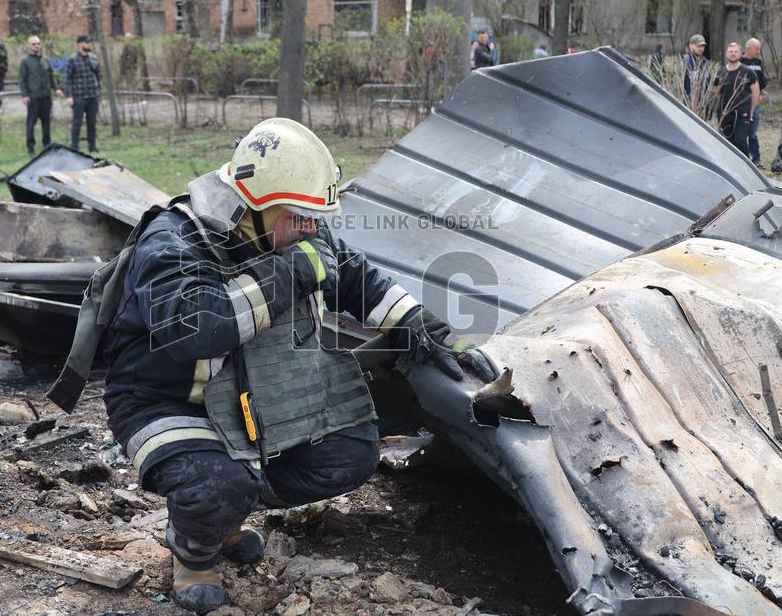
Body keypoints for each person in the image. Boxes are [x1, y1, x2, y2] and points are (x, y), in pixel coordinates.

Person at [45, 118, 497, 613]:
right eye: (299, 216)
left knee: (350, 454)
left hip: (251, 399)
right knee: (217, 484)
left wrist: (419, 327)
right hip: (165, 403)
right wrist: (290, 272)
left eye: (315, 217)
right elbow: (199, 329)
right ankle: (194, 550)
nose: (311, 228)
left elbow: (358, 278)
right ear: (254, 206)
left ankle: (222, 513)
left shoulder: (294, 234)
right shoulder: (172, 242)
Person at [18, 35, 63, 156]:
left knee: (46, 122)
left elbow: (51, 76)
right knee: (31, 123)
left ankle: (46, 146)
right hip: (33, 97)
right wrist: (25, 95)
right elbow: (22, 79)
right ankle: (30, 147)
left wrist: (56, 89)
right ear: (29, 46)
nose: (36, 46)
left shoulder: (45, 60)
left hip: (46, 97)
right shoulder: (26, 61)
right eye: (33, 44)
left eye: (38, 43)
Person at [713, 42, 760, 157]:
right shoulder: (721, 71)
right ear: (726, 54)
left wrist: (751, 110)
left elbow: (755, 92)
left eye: (735, 51)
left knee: (740, 142)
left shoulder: (748, 72)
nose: (733, 54)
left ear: (741, 54)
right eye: (730, 51)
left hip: (742, 114)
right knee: (726, 143)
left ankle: (745, 167)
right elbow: (716, 90)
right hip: (725, 114)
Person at [64, 34, 101, 152]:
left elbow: (98, 75)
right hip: (79, 96)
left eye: (89, 42)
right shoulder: (73, 59)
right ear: (80, 44)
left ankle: (92, 146)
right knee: (77, 123)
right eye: (86, 42)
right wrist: (69, 96)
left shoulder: (93, 58)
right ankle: (74, 147)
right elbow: (67, 79)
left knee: (92, 123)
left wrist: (98, 88)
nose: (89, 44)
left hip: (92, 96)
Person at [739, 38, 768, 166]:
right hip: (742, 103)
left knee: (753, 132)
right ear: (748, 48)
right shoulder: (739, 62)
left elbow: (762, 81)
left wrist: (760, 94)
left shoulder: (759, 62)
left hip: (755, 103)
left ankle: (756, 159)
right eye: (757, 49)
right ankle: (742, 158)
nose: (758, 51)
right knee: (741, 132)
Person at [683, 34, 711, 114]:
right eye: (698, 46)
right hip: (688, 106)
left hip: (704, 107)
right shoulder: (685, 62)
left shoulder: (707, 64)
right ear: (691, 46)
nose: (701, 48)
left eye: (702, 46)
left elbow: (712, 83)